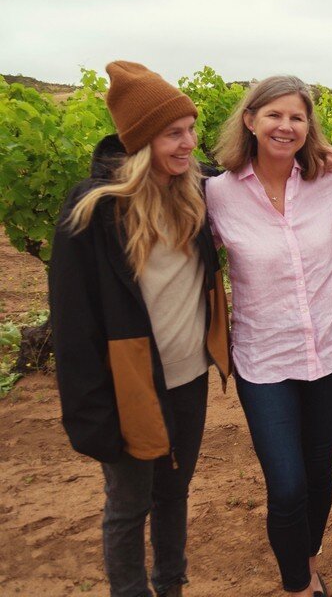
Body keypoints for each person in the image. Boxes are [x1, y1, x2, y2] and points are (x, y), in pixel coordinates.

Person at [50, 60, 230, 597]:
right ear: (141, 139)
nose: (189, 143)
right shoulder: (93, 211)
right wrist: (90, 414)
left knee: (174, 493)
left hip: (188, 379)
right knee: (128, 507)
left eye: (192, 130)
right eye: (174, 133)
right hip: (127, 388)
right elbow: (72, 325)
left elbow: (264, 174)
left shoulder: (194, 190)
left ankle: (170, 586)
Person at [206, 75, 332, 597]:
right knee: (288, 484)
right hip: (263, 361)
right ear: (249, 120)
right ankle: (298, 585)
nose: (286, 126)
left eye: (297, 117)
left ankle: (309, 559)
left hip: (327, 358)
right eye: (274, 115)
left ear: (308, 126)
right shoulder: (217, 194)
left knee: (319, 478)